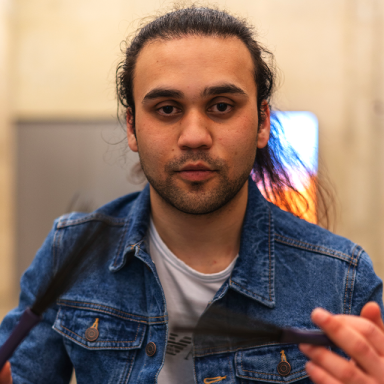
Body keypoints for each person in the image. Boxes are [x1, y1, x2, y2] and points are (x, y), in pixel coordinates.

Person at [0, 6, 384, 384]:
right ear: (132, 127)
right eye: (167, 109)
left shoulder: (342, 279)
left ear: (263, 122)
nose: (195, 136)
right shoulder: (69, 250)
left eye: (221, 106)